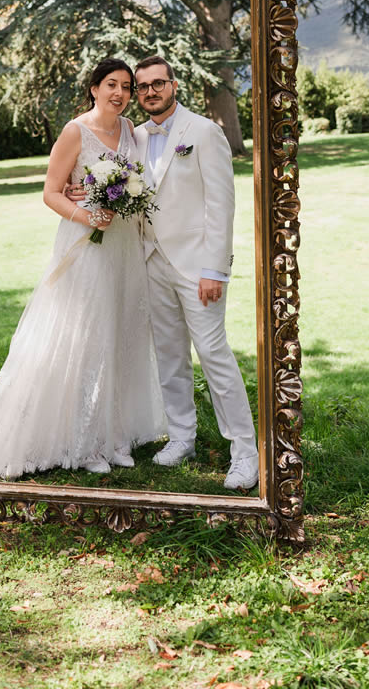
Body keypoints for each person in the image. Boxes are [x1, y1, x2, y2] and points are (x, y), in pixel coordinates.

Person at [0, 58, 165, 491]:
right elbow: (51, 193)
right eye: (112, 84)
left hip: (124, 247)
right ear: (94, 88)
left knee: (122, 333)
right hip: (87, 247)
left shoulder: (130, 129)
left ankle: (116, 437)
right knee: (90, 338)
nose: (120, 93)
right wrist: (87, 214)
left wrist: (122, 199)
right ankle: (86, 444)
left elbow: (137, 181)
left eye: (126, 86)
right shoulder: (75, 131)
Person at [132, 55, 259, 491]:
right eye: (143, 86)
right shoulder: (135, 136)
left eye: (158, 83)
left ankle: (245, 452)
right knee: (169, 356)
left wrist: (215, 270)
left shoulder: (204, 132)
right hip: (151, 263)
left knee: (213, 355)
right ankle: (182, 437)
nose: (150, 91)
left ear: (174, 84)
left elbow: (221, 206)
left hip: (197, 268)